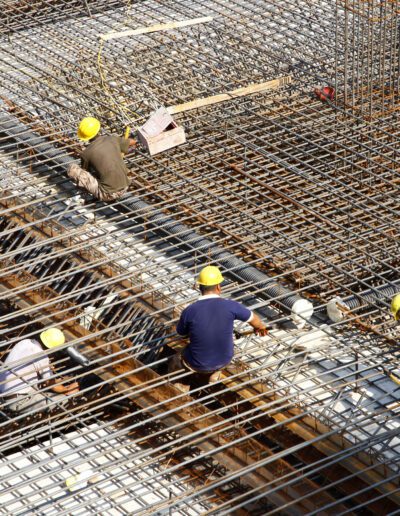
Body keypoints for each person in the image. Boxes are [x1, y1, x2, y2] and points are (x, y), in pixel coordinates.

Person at [171, 265, 268, 386]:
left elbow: (181, 333)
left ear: (199, 287)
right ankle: (213, 377)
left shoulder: (190, 311)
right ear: (218, 287)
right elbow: (255, 319)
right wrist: (260, 327)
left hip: (197, 364)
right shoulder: (231, 306)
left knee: (177, 358)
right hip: (224, 360)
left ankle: (180, 386)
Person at [0, 328, 79, 414]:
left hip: (3, 391)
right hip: (17, 400)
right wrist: (67, 389)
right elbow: (52, 385)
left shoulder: (25, 342)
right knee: (64, 401)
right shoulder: (41, 356)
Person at [67, 117, 136, 202]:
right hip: (125, 186)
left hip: (107, 194)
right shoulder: (112, 139)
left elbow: (86, 172)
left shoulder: (86, 153)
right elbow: (132, 142)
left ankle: (85, 195)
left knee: (73, 169)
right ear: (98, 130)